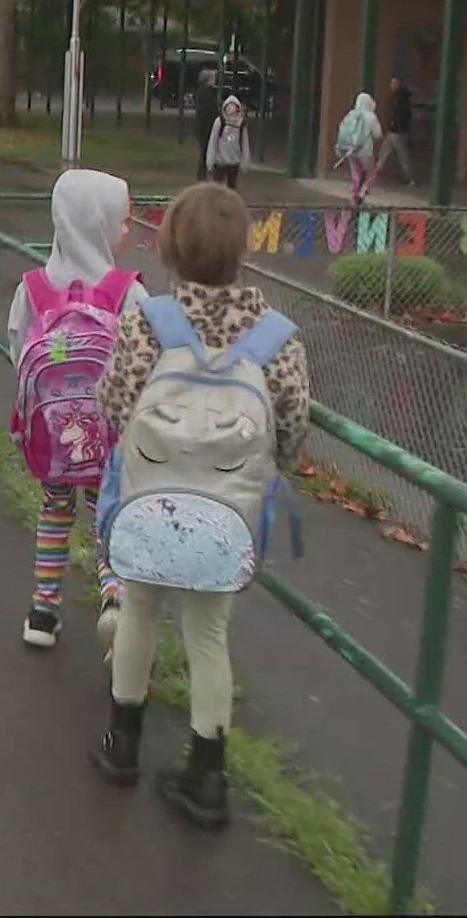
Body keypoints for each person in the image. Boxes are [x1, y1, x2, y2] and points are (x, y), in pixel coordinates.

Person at [89, 181, 309, 830]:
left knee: (140, 613)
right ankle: (207, 773)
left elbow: (114, 403)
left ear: (173, 248)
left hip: (149, 505)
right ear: (242, 249)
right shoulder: (278, 339)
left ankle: (122, 741)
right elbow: (292, 431)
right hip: (226, 519)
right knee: (209, 634)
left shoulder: (148, 321)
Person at [4, 169, 147, 651]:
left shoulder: (34, 287)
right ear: (100, 223)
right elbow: (145, 359)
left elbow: (18, 349)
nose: (128, 231)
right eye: (124, 221)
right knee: (107, 511)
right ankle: (113, 595)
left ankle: (43, 610)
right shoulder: (128, 290)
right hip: (112, 437)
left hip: (54, 432)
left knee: (55, 509)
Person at [334, 92, 383, 207]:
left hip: (350, 150)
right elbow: (378, 134)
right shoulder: (371, 116)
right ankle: (362, 193)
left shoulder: (351, 115)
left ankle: (353, 197)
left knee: (356, 174)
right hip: (365, 151)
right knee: (372, 172)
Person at [204, 94, 252, 188]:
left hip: (234, 162)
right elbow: (213, 141)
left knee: (231, 187)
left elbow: (245, 143)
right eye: (229, 107)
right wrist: (210, 160)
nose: (231, 109)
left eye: (233, 107)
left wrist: (244, 162)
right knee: (217, 187)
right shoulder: (219, 122)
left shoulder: (241, 124)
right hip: (220, 161)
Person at [376, 77, 417, 186]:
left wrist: (393, 124)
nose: (391, 85)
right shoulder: (400, 99)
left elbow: (398, 115)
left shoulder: (399, 100)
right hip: (395, 131)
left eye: (394, 83)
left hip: (397, 131)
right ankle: (376, 172)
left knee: (400, 154)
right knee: (386, 152)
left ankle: (409, 177)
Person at [191, 70, 220, 181]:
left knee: (205, 151)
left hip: (204, 126)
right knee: (206, 151)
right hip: (206, 127)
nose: (215, 80)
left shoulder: (204, 92)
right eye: (213, 78)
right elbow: (209, 111)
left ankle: (204, 175)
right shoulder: (206, 94)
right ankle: (204, 176)